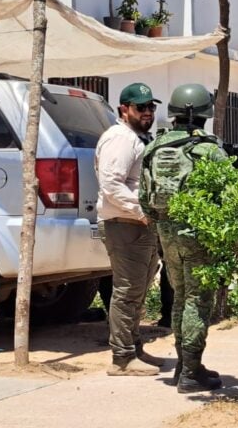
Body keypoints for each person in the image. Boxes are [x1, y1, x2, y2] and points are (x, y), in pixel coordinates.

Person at [139, 84, 228, 393]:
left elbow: (144, 198)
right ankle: (191, 371)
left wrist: (162, 227)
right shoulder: (209, 149)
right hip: (198, 235)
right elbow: (228, 198)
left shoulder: (155, 147)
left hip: (167, 233)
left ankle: (183, 366)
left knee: (180, 297)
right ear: (205, 113)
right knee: (197, 300)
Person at [95, 82, 164, 376]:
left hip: (137, 224)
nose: (148, 112)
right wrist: (141, 211)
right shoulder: (121, 139)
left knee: (138, 289)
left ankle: (133, 348)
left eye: (151, 106)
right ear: (125, 110)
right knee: (126, 291)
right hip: (125, 224)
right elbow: (111, 184)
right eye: (141, 107)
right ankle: (122, 358)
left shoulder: (135, 137)